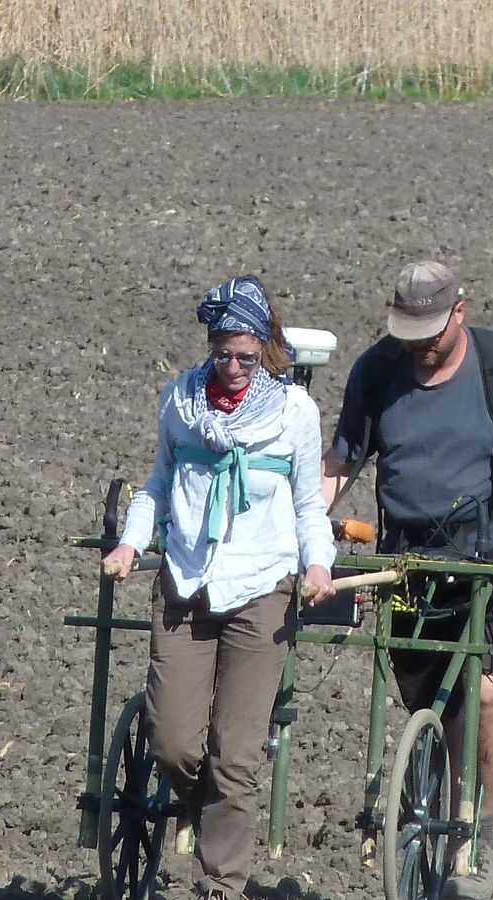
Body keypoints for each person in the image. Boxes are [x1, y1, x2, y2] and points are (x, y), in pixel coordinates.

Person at [321, 260, 493, 898]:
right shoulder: (377, 371)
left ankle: (477, 836)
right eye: (410, 331)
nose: (422, 344)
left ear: (459, 313)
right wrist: (303, 528)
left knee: (486, 693)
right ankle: (430, 807)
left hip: (489, 558)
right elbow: (343, 460)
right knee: (425, 703)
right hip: (407, 562)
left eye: (432, 331)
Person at [102, 275, 336, 900]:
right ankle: (205, 808)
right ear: (209, 346)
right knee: (174, 741)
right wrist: (131, 542)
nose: (233, 367)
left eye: (247, 357)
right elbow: (156, 485)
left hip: (262, 588)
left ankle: (222, 883)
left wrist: (319, 565)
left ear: (266, 351)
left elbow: (310, 505)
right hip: (186, 583)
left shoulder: (293, 413)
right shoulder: (179, 402)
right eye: (223, 354)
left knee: (236, 755)